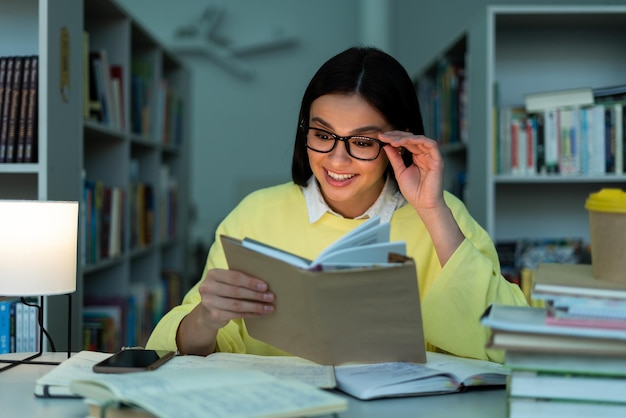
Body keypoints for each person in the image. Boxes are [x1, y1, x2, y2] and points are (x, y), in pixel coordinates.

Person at [146, 45, 528, 363]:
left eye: (362, 142)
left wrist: (431, 212)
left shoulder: (443, 215)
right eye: (323, 134)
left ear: (400, 141)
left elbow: (512, 342)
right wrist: (207, 317)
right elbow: (174, 353)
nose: (337, 160)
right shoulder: (255, 214)